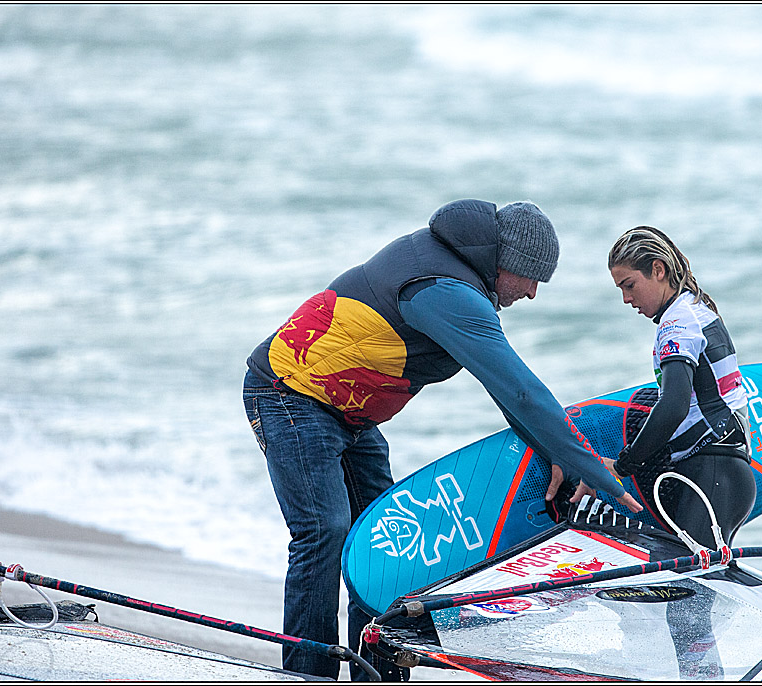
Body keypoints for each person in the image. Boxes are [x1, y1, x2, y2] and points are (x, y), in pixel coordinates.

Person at [243, 199, 641, 681]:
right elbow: (519, 388)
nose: (533, 294)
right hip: (288, 394)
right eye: (532, 278)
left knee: (381, 549)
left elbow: (506, 392)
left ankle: (374, 673)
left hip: (348, 414)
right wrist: (598, 473)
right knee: (324, 531)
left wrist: (554, 450)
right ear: (506, 265)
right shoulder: (442, 290)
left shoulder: (456, 277)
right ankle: (310, 674)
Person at [605, 226, 755, 551]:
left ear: (658, 270)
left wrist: (623, 466)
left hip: (712, 470)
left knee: (686, 596)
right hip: (722, 472)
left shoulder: (678, 323)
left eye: (629, 285)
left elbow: (673, 407)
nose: (626, 299)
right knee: (691, 594)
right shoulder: (697, 311)